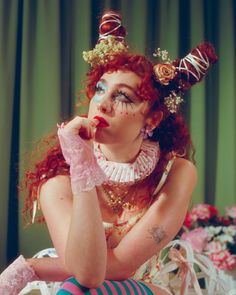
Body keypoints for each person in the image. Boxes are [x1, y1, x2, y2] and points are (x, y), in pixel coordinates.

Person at [0, 11, 226, 295]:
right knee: (77, 287)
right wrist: (82, 166)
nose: (102, 105)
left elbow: (117, 268)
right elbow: (87, 272)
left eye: (122, 97)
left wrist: (34, 266)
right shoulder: (58, 180)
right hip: (83, 286)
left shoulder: (177, 173)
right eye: (100, 90)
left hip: (149, 288)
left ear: (153, 119)